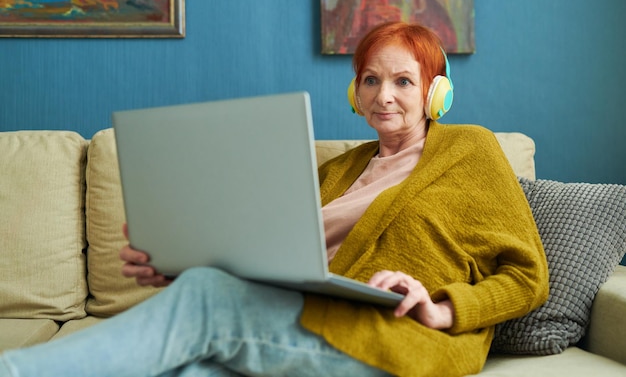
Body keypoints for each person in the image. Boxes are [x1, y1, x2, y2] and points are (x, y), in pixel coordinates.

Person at [0, 22, 549, 377]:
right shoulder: (338, 170)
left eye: (405, 82)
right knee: (188, 363)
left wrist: (443, 306)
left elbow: (528, 276)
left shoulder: (469, 150)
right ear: (354, 91)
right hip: (309, 319)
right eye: (370, 79)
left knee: (206, 299)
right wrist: (175, 260)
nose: (384, 95)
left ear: (436, 94)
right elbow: (277, 260)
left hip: (401, 341)